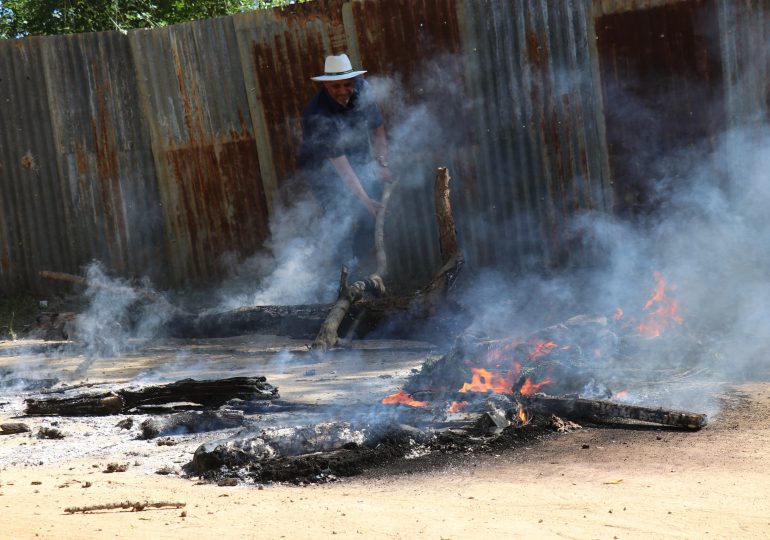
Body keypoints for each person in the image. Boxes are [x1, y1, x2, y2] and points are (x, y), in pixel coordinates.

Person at [298, 53, 393, 269]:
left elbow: (378, 130)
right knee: (341, 216)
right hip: (322, 167)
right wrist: (366, 201)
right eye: (335, 86)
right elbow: (341, 167)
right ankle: (340, 275)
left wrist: (382, 164)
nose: (342, 91)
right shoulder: (317, 114)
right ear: (326, 86)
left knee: (371, 213)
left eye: (347, 84)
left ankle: (366, 267)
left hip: (356, 156)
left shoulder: (363, 89)